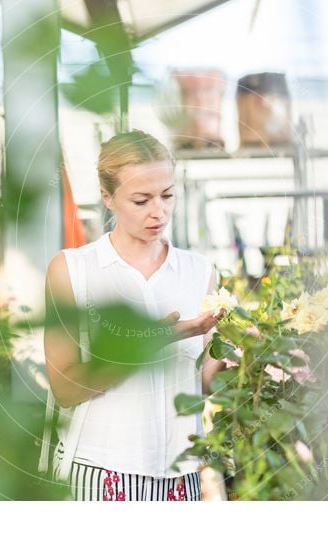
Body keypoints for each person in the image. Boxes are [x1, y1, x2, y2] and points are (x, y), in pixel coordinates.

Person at [43, 130, 226, 501]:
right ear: (107, 197)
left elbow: (207, 382)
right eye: (141, 200)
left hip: (181, 474)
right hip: (100, 471)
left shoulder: (198, 271)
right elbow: (65, 389)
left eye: (168, 195)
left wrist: (256, 360)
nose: (158, 211)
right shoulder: (72, 270)